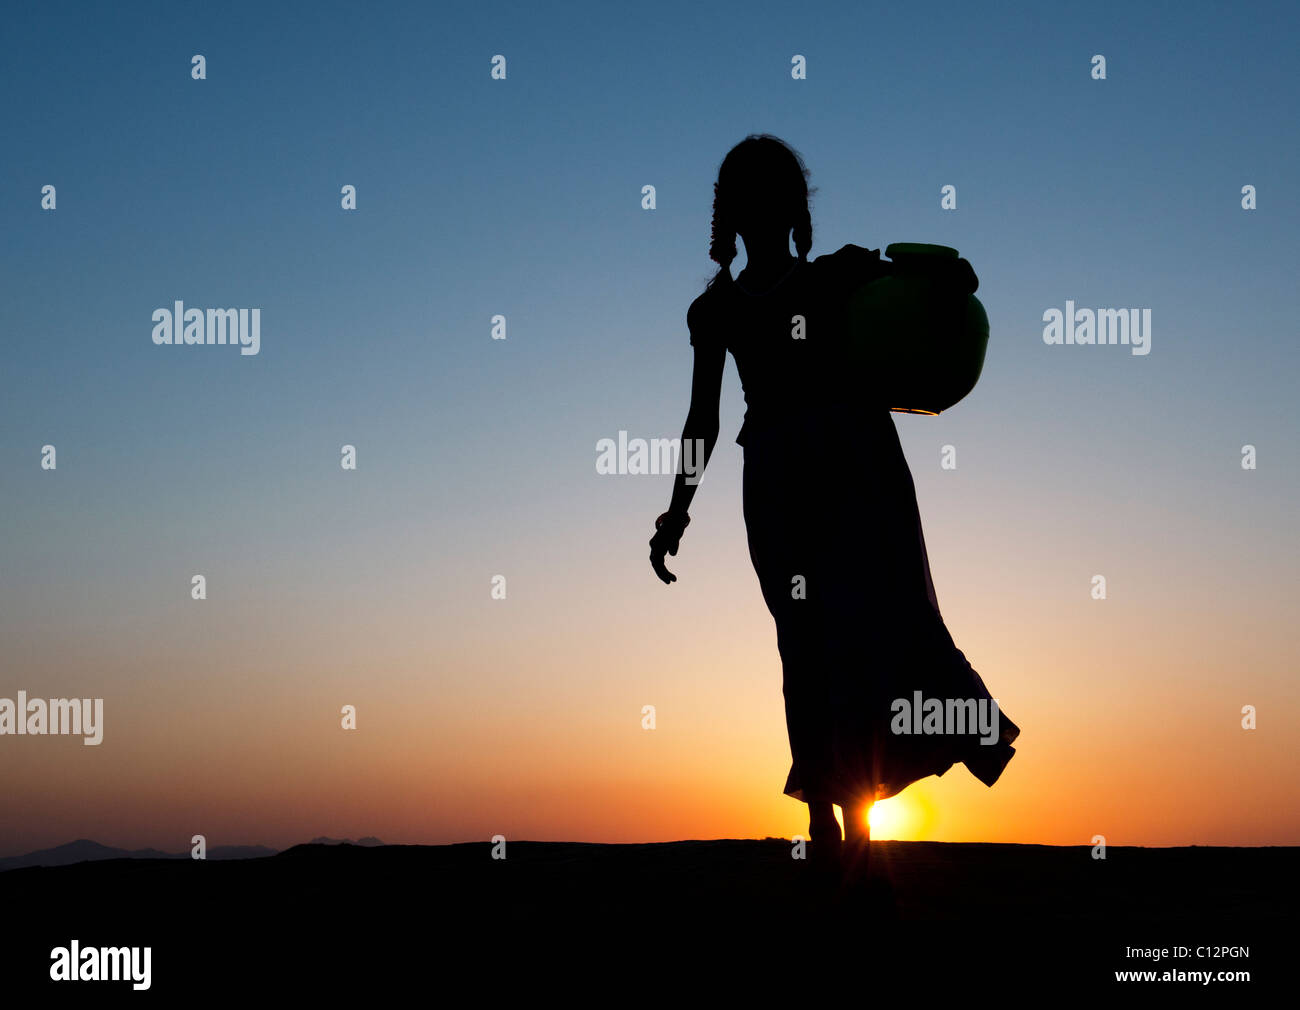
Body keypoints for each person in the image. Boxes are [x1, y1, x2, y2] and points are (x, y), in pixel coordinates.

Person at [649, 134, 1019, 882]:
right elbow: (703, 421)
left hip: (860, 474)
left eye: (777, 196)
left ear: (795, 209)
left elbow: (937, 280)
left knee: (877, 634)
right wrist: (675, 513)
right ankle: (825, 812)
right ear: (733, 216)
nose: (766, 212)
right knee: (804, 648)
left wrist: (958, 278)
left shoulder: (843, 274)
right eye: (751, 199)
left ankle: (855, 820)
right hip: (780, 486)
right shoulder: (713, 311)